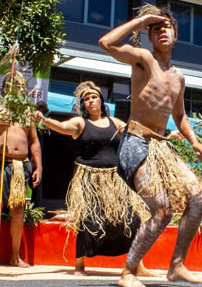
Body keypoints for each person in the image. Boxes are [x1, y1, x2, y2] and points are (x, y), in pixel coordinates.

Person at [99, 4, 202, 287]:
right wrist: (141, 21)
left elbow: (179, 115)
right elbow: (106, 43)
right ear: (149, 36)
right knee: (162, 209)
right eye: (155, 29)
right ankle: (128, 272)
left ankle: (177, 265)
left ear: (176, 35)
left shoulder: (178, 77)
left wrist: (194, 141)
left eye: (166, 27)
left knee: (198, 198)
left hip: (161, 147)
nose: (161, 31)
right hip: (135, 142)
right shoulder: (143, 59)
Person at [34, 81, 151, 277]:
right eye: (86, 99)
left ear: (101, 100)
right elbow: (62, 127)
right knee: (88, 220)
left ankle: (137, 265)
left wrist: (166, 135)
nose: (91, 101)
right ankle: (79, 265)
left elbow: (137, 133)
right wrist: (43, 120)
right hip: (89, 180)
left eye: (94, 97)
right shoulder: (80, 123)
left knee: (132, 219)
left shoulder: (115, 122)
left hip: (115, 181)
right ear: (83, 105)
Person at [0, 71, 43, 268]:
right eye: (11, 84)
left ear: (24, 89)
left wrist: (39, 165)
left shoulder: (28, 113)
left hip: (21, 165)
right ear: (4, 88)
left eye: (20, 85)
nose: (16, 87)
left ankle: (15, 256)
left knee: (18, 209)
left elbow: (34, 142)